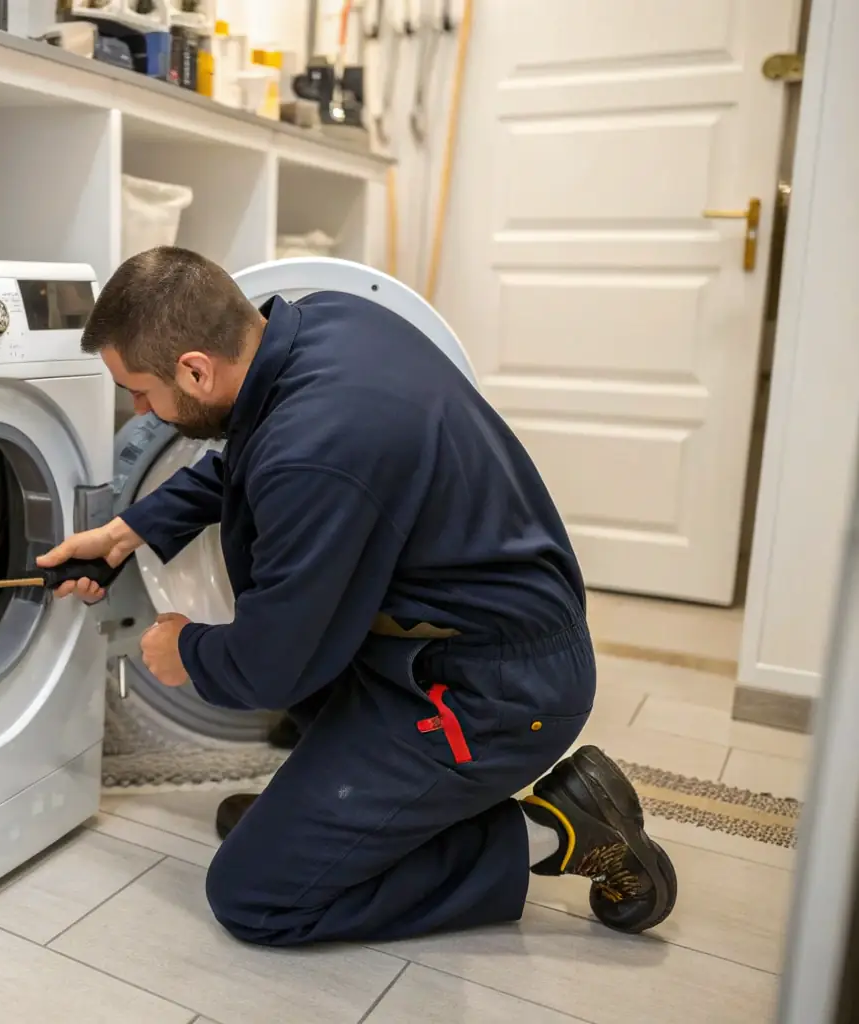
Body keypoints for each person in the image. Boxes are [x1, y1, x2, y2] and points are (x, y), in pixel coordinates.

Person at [39, 246, 677, 946]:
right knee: (293, 797)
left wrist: (181, 647)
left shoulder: (316, 448)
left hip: (491, 695)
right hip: (450, 646)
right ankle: (337, 825)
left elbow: (271, 666)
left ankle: (559, 833)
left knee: (255, 895)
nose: (139, 410)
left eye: (139, 391)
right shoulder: (332, 323)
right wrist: (129, 530)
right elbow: (247, 463)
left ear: (194, 368)